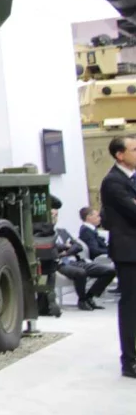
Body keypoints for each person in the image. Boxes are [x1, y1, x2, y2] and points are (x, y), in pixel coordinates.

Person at [98, 135, 136, 379]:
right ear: (120, 155)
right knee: (131, 306)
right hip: (129, 252)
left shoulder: (131, 179)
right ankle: (130, 361)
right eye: (134, 149)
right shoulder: (113, 182)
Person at [52, 211, 116, 310]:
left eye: (56, 215)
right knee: (80, 273)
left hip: (74, 261)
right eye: (52, 215)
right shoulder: (45, 233)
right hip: (60, 264)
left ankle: (89, 297)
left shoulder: (62, 231)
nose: (54, 217)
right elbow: (52, 248)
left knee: (109, 271)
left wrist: (66, 252)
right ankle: (82, 300)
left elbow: (78, 246)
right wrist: (66, 246)